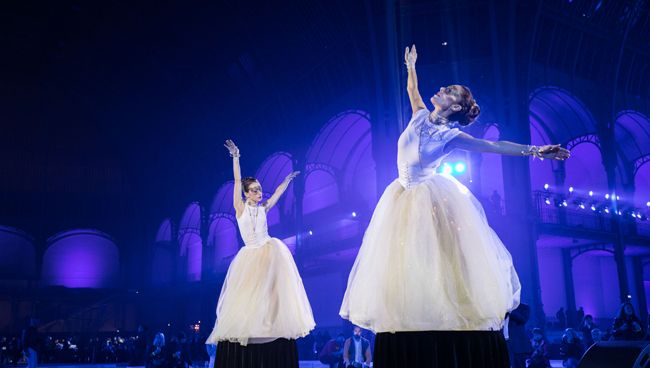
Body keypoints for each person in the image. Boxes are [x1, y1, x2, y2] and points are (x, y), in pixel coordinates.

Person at [339, 44, 570, 368]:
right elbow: (412, 90)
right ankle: (409, 315)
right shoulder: (419, 114)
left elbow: (492, 146)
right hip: (399, 195)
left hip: (426, 198)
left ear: (456, 105)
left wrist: (535, 150)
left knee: (440, 259)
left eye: (448, 91)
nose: (441, 91)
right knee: (401, 263)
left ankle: (450, 316)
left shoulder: (450, 136)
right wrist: (410, 67)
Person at [206, 140, 315, 368]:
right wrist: (236, 157)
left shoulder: (264, 208)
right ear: (246, 194)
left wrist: (285, 181)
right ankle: (250, 326)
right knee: (248, 293)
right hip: (250, 254)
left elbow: (276, 193)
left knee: (273, 289)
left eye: (259, 188)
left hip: (270, 250)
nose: (259, 192)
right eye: (254, 190)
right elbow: (237, 180)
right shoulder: (240, 208)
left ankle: (272, 324)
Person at [504, 302, 533, 368]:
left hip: (516, 344)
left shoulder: (523, 306)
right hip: (503, 343)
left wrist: (511, 310)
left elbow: (523, 319)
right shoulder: (502, 307)